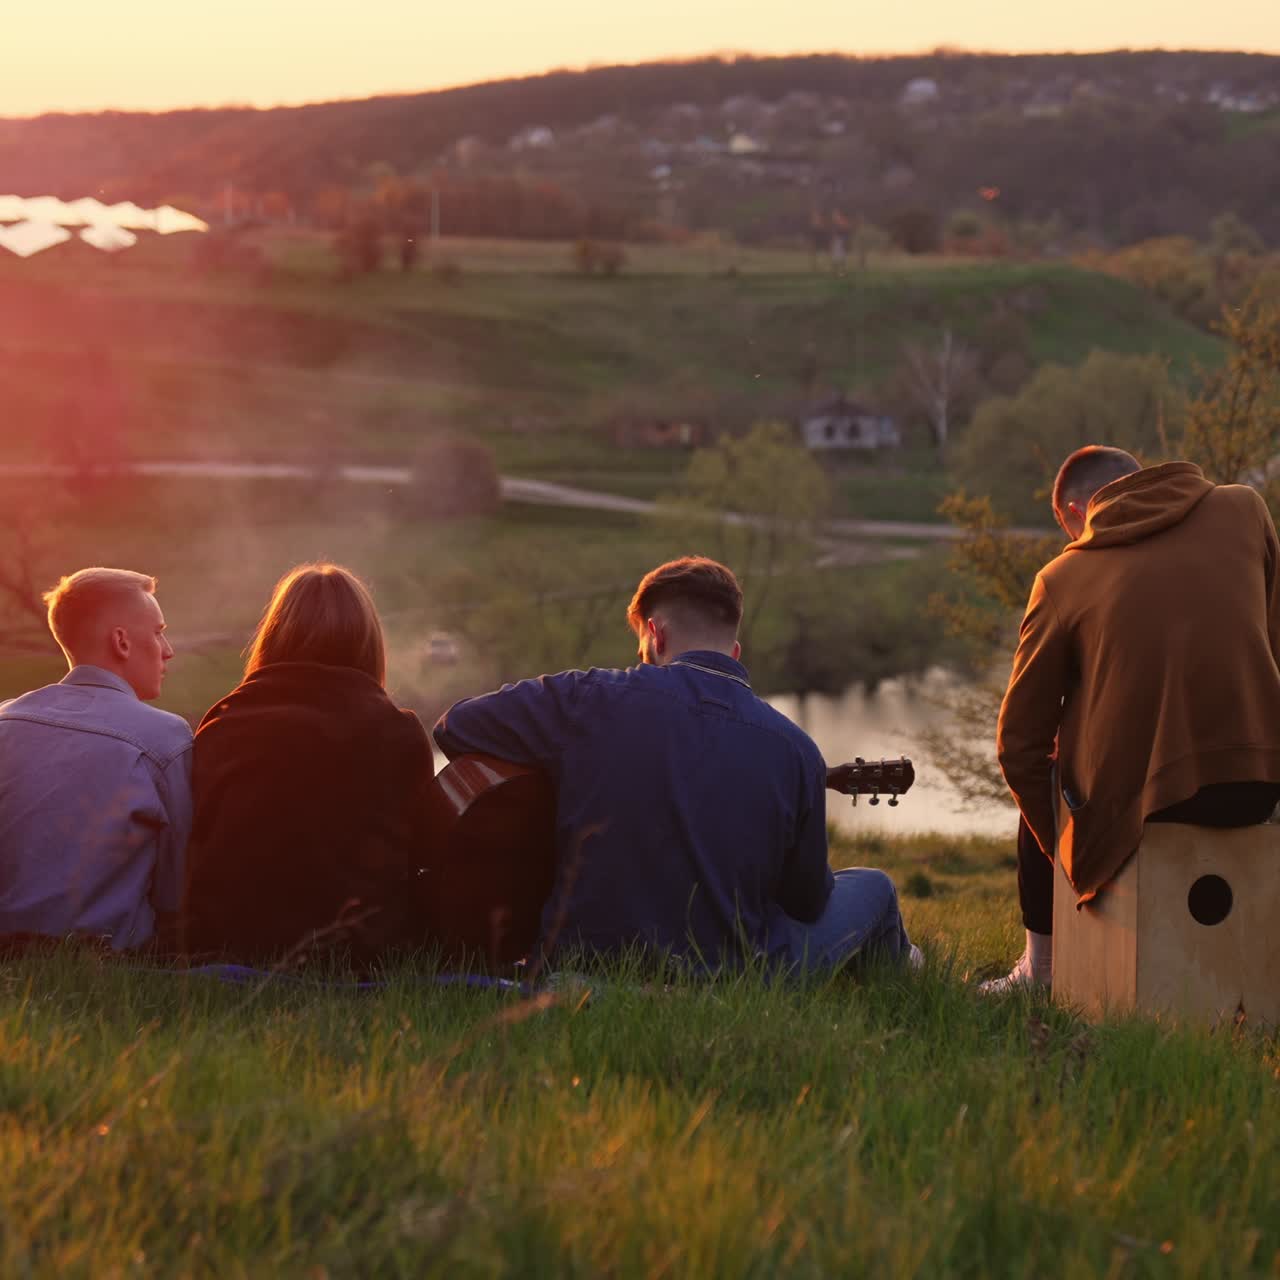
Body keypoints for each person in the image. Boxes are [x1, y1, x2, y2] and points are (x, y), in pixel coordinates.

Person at [433, 555, 915, 974]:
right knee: (872, 887)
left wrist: (564, 786)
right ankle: (910, 972)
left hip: (579, 968)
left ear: (656, 635)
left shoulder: (585, 698)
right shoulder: (795, 749)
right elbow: (807, 902)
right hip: (732, 980)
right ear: (735, 651)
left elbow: (456, 727)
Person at [984, 447, 1280, 992]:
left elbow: (1016, 745)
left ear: (1077, 510)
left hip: (1149, 808)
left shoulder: (1063, 577)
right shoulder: (1245, 510)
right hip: (1261, 787)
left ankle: (1040, 970)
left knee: (1044, 778)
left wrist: (1064, 851)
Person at [180, 564, 430, 966]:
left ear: (274, 636)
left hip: (228, 944)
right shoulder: (397, 732)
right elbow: (420, 853)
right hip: (358, 953)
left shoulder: (225, 722)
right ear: (368, 642)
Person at [0, 567, 191, 950]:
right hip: (106, 960)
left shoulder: (4, 721)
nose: (168, 649)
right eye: (157, 632)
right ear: (121, 641)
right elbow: (178, 891)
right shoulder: (164, 738)